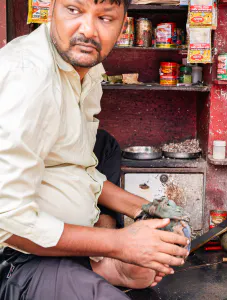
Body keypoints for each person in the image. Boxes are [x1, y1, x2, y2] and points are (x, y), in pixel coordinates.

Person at [0, 0, 190, 299]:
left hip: (62, 248)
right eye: (73, 10)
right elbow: (6, 221)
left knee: (147, 283)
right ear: (51, 11)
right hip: (15, 258)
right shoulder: (28, 77)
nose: (88, 30)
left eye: (105, 18)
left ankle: (100, 268)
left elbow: (80, 170)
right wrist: (119, 243)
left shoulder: (87, 69)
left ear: (122, 24)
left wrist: (145, 210)